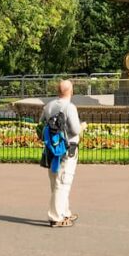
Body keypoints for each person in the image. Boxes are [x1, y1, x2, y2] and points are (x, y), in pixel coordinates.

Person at [40, 79, 87, 228]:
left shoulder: (49, 106)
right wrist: (83, 126)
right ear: (71, 91)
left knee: (56, 180)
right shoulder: (70, 107)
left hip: (52, 149)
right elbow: (74, 129)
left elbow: (41, 124)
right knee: (64, 181)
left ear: (58, 91)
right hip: (68, 148)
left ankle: (65, 211)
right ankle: (56, 217)